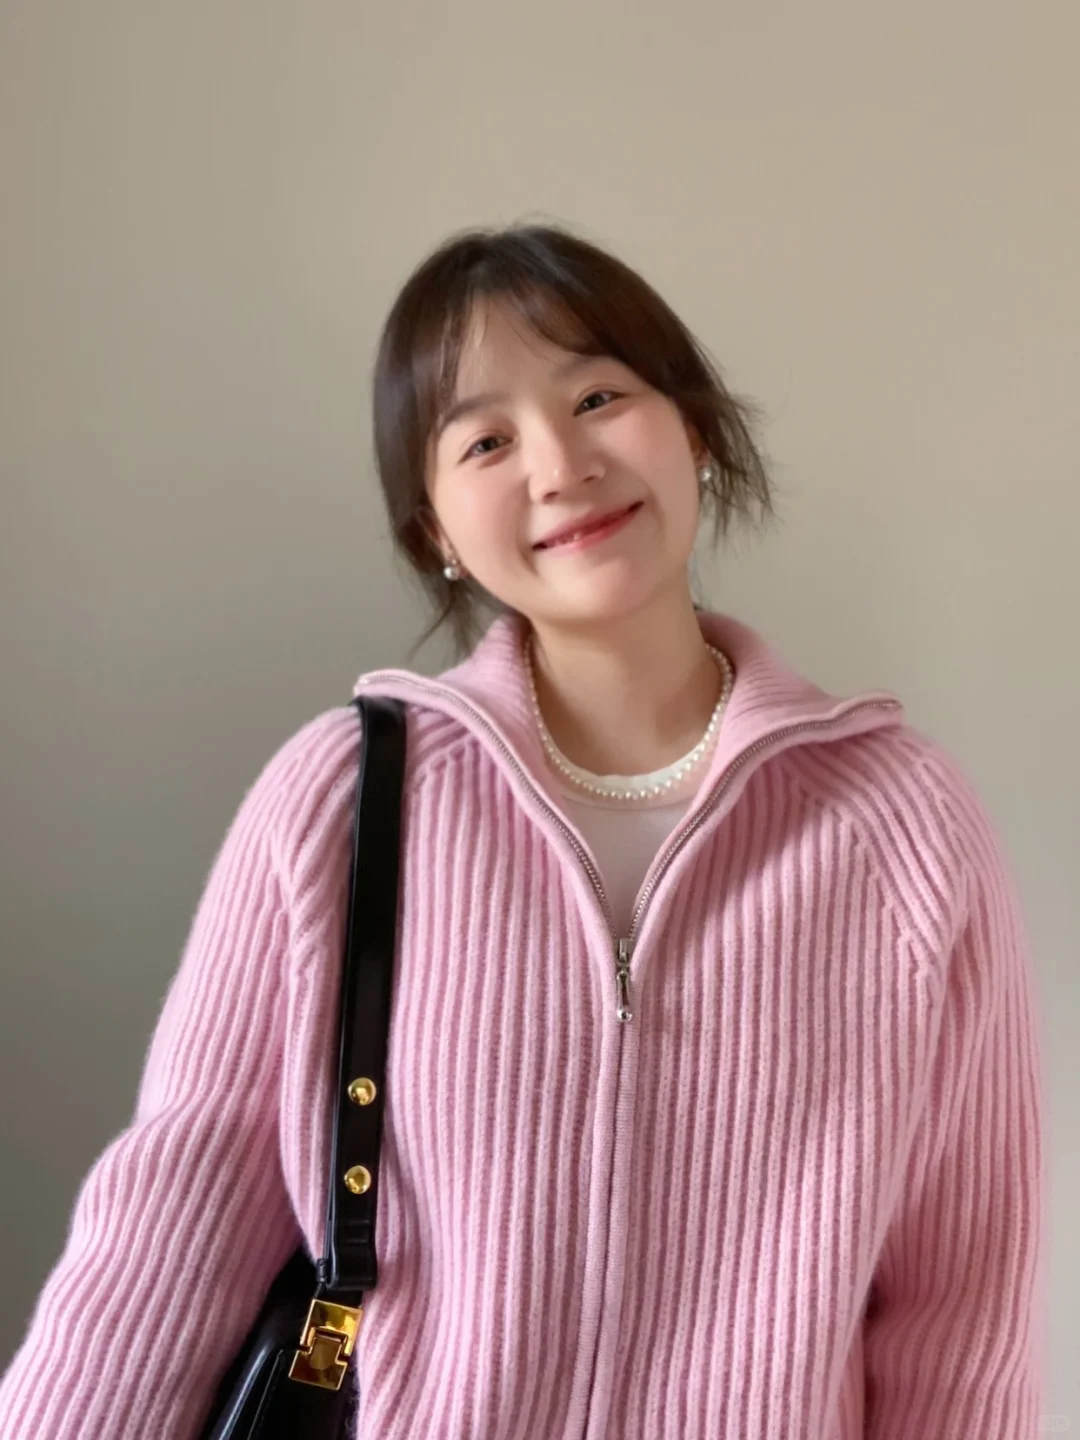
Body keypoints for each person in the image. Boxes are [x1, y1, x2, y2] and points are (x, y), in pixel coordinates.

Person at [0, 223, 1045, 1438]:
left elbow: (963, 1313)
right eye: (485, 441)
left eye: (599, 397)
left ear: (695, 430)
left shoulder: (903, 825)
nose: (559, 464)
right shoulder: (340, 802)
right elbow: (167, 1241)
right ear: (435, 530)